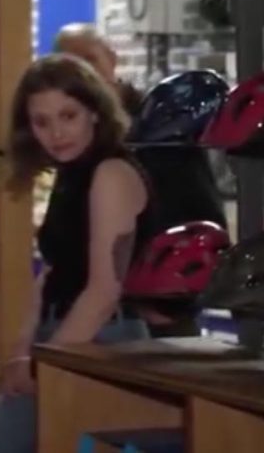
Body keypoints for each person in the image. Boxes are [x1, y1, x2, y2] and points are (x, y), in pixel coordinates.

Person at [0, 54, 154, 453]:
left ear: (94, 112)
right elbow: (53, 273)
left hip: (103, 341)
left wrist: (43, 363)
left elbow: (104, 292)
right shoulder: (71, 173)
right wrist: (23, 349)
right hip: (62, 337)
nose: (56, 133)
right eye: (41, 122)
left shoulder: (110, 173)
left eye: (68, 116)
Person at [54, 22, 226, 337]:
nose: (83, 74)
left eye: (89, 59)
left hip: (156, 313)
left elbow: (200, 211)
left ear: (111, 58)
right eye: (71, 65)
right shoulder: (74, 138)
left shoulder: (160, 124)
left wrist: (166, 298)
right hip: (87, 314)